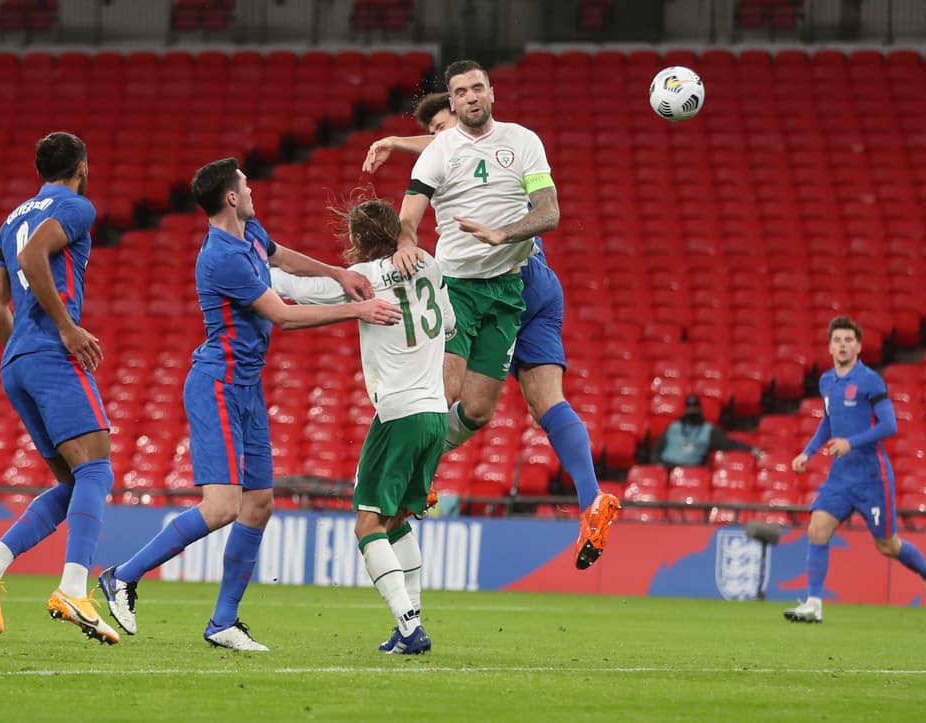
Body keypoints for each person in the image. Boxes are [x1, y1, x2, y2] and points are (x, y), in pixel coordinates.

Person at [96, 157, 400, 651]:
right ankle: (122, 577)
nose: (252, 188)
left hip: (247, 386)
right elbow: (282, 316)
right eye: (245, 184)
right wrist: (358, 308)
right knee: (222, 507)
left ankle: (223, 622)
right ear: (231, 197)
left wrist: (338, 273)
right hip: (216, 383)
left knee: (258, 505)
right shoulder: (221, 256)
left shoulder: (251, 233)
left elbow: (282, 257)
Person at [365, 64, 621, 570]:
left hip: (509, 282)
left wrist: (397, 141)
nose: (467, 101)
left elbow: (463, 149)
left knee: (445, 389)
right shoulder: (449, 146)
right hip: (533, 280)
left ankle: (407, 477)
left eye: (475, 89)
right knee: (522, 405)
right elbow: (445, 147)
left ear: (489, 93)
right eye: (458, 95)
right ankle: (590, 499)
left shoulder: (510, 143)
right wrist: (399, 145)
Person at [0, 132, 120, 645]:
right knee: (96, 467)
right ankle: (74, 587)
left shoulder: (10, 218)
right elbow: (34, 257)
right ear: (82, 166)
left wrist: (22, 348)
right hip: (51, 353)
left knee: (73, 483)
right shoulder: (76, 207)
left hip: (18, 361)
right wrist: (64, 331)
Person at [271, 197, 454, 655]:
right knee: (395, 522)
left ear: (356, 240)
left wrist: (253, 262)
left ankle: (410, 627)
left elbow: (298, 292)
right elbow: (449, 325)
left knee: (367, 525)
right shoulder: (429, 264)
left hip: (398, 413)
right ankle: (409, 626)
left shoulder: (365, 280)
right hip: (435, 414)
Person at [784, 316, 926, 623]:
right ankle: (814, 603)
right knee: (817, 528)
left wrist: (851, 443)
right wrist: (807, 452)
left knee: (887, 545)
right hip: (841, 477)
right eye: (837, 340)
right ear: (830, 346)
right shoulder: (827, 381)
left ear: (858, 346)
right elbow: (829, 422)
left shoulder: (870, 380)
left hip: (873, 478)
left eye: (848, 340)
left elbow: (889, 425)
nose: (843, 345)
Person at [651, 394, 761, 468]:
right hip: (665, 468)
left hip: (690, 472)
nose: (692, 410)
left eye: (694, 407)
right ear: (685, 409)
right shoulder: (674, 427)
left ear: (699, 409)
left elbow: (728, 444)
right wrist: (657, 464)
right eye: (689, 407)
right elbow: (656, 449)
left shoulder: (708, 430)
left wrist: (751, 449)